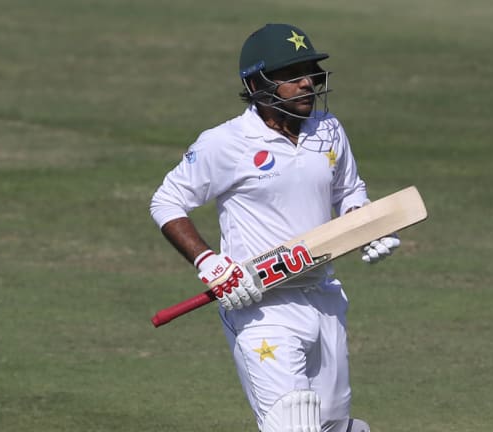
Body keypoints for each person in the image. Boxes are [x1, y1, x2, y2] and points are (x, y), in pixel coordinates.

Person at [149, 23, 400, 432]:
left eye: (311, 73)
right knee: (292, 424)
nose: (306, 83)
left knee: (332, 426)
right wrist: (209, 262)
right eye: (291, 75)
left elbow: (350, 191)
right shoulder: (225, 142)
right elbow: (166, 201)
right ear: (256, 83)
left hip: (324, 297)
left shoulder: (328, 129)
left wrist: (367, 227)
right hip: (260, 305)